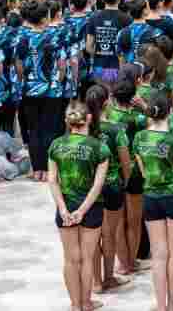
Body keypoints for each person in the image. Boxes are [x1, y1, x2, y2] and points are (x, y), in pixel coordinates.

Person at [47, 100, 110, 311]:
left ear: (67, 120)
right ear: (89, 119)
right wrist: (82, 210)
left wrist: (63, 209)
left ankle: (75, 305)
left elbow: (52, 180)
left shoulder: (56, 145)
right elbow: (98, 184)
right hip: (91, 208)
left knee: (70, 259)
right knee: (87, 258)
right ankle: (86, 302)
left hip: (65, 206)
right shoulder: (99, 147)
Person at [132, 91, 173, 311]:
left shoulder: (140, 138)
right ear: (170, 111)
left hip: (151, 197)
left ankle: (160, 306)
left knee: (158, 255)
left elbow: (144, 171)